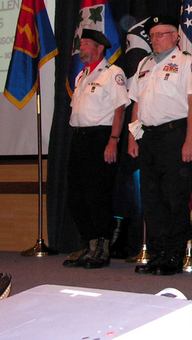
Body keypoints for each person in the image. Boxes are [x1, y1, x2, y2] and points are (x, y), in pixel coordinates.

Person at [127, 15, 192, 276]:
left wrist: (189, 141)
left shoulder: (186, 63)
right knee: (151, 198)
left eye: (161, 34)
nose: (156, 40)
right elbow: (136, 103)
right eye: (153, 35)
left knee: (174, 198)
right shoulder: (144, 64)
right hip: (147, 137)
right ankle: (156, 253)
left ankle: (174, 254)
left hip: (175, 135)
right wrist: (132, 137)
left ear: (175, 37)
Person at [63, 29, 129, 269]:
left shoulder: (112, 73)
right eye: (82, 43)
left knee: (97, 194)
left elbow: (120, 109)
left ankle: (102, 247)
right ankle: (88, 244)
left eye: (87, 43)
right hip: (79, 138)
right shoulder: (81, 75)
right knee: (76, 195)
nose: (82, 47)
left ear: (100, 48)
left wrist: (113, 139)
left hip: (100, 137)